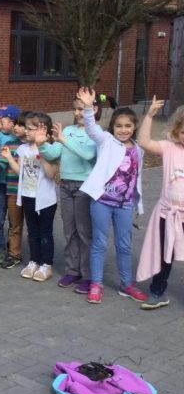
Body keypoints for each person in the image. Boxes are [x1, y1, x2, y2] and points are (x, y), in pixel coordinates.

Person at [76, 87, 148, 304]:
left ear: (134, 127)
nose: (123, 130)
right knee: (99, 244)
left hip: (125, 205)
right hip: (102, 202)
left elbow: (137, 177)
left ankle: (127, 284)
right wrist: (88, 107)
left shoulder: (138, 149)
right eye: (119, 126)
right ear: (112, 127)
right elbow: (91, 128)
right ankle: (96, 284)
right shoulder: (106, 140)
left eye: (128, 126)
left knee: (125, 246)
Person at [38, 97, 97, 292]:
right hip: (65, 185)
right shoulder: (69, 131)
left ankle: (88, 275)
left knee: (84, 232)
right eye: (76, 109)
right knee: (69, 230)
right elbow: (53, 154)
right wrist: (42, 144)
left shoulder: (97, 134)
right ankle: (73, 271)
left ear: (93, 109)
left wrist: (64, 140)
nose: (79, 113)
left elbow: (88, 155)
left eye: (82, 109)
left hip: (84, 186)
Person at [136, 99, 184, 309]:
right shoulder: (169, 148)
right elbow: (144, 142)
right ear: (176, 131)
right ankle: (157, 292)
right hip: (168, 213)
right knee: (165, 255)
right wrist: (149, 116)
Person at [2, 113, 58, 281]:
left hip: (45, 199)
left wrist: (41, 150)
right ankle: (34, 261)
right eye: (25, 128)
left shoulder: (50, 149)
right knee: (32, 232)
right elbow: (21, 173)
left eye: (30, 129)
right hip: (27, 195)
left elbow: (51, 174)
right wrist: (10, 158)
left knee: (45, 232)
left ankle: (46, 264)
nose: (26, 131)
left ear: (43, 130)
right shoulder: (23, 149)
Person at [0, 112, 28, 269]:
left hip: (16, 187)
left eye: (19, 124)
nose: (16, 127)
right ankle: (2, 248)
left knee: (15, 222)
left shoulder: (28, 144)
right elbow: (0, 157)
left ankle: (14, 250)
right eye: (16, 124)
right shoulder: (8, 141)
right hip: (1, 183)